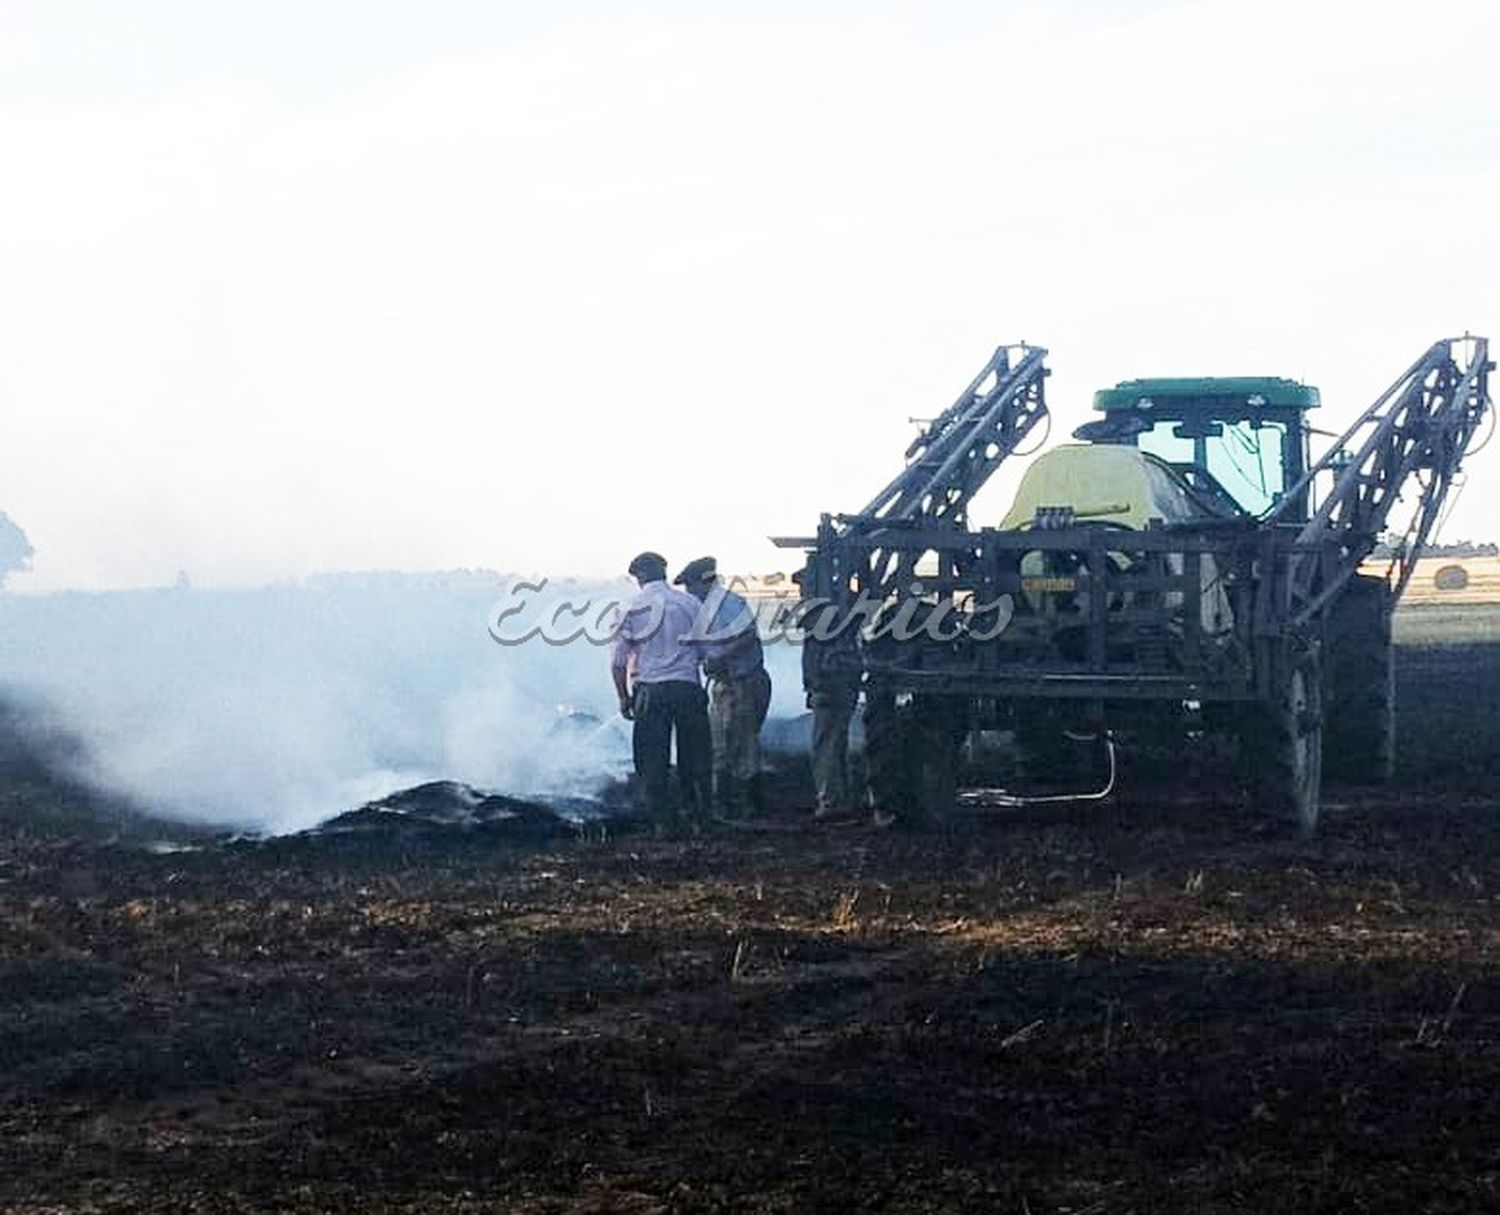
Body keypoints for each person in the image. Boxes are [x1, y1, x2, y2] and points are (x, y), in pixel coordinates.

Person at [610, 551, 712, 831]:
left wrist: (623, 698)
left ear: (638, 577)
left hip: (650, 690)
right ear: (664, 572)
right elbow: (706, 652)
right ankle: (698, 817)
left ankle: (663, 823)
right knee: (695, 756)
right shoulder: (690, 603)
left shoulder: (629, 607)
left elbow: (618, 661)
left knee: (652, 760)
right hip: (687, 687)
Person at [674, 556, 771, 819]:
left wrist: (719, 658)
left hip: (742, 682)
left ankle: (746, 805)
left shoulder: (725, 603)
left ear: (703, 582)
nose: (689, 592)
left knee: (740, 744)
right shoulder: (709, 606)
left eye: (691, 586)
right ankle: (730, 804)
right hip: (727, 683)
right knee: (723, 745)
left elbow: (748, 636)